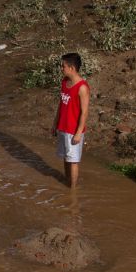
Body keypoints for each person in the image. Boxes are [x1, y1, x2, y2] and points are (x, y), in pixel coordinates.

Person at [50, 52, 90, 189]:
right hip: (63, 127)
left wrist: (79, 132)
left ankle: (72, 189)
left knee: (73, 160)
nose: (62, 69)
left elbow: (84, 112)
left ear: (72, 68)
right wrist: (55, 123)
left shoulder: (82, 87)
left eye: (63, 66)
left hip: (73, 130)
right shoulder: (64, 82)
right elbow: (61, 104)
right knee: (66, 158)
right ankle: (67, 181)